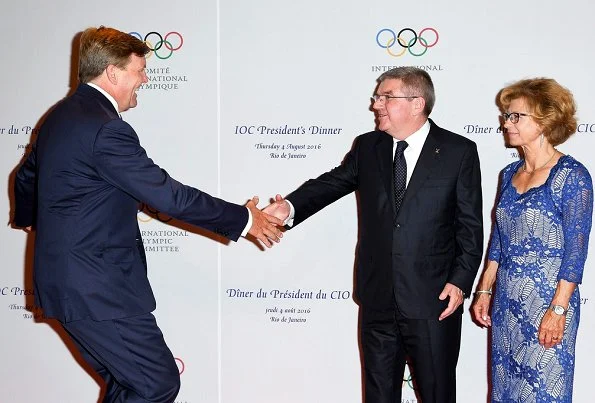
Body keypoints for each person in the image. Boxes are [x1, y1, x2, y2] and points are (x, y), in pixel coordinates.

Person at [12, 26, 283, 403]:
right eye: (139, 70)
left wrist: (31, 217)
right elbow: (169, 196)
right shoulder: (105, 129)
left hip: (67, 283)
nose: (146, 78)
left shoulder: (60, 116)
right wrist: (246, 219)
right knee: (156, 383)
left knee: (131, 385)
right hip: (98, 289)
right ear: (112, 72)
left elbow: (26, 176)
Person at [264, 67, 483, 402]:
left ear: (416, 103)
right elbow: (331, 183)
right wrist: (289, 207)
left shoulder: (458, 151)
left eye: (386, 96)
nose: (375, 104)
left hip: (432, 299)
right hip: (377, 297)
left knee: (437, 393)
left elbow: (469, 225)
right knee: (378, 395)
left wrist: (461, 280)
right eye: (377, 96)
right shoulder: (368, 146)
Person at [471, 78, 593, 402]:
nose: (506, 123)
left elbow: (576, 251)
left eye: (515, 117)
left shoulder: (572, 176)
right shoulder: (508, 175)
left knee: (543, 392)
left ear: (543, 121)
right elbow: (499, 238)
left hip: (547, 304)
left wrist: (558, 309)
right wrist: (485, 288)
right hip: (507, 304)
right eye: (506, 116)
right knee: (505, 391)